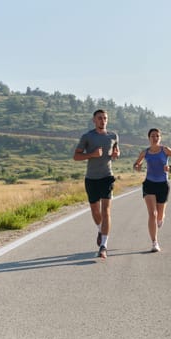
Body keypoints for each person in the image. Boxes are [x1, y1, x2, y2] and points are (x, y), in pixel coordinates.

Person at [73, 109, 120, 259]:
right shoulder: (87, 137)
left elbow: (116, 152)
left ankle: (104, 246)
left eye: (105, 118)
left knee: (106, 211)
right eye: (99, 118)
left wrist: (116, 155)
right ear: (94, 120)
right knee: (95, 212)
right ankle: (100, 229)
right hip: (91, 178)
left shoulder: (113, 136)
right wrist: (91, 155)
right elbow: (76, 156)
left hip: (107, 177)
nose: (102, 120)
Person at [133, 128, 171, 252]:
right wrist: (137, 167)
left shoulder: (165, 150)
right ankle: (154, 242)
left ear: (160, 138)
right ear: (149, 138)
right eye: (153, 136)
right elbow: (136, 164)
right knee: (152, 214)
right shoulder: (145, 152)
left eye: (157, 136)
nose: (155, 138)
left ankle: (160, 219)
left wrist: (170, 167)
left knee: (159, 216)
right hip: (149, 184)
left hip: (163, 185)